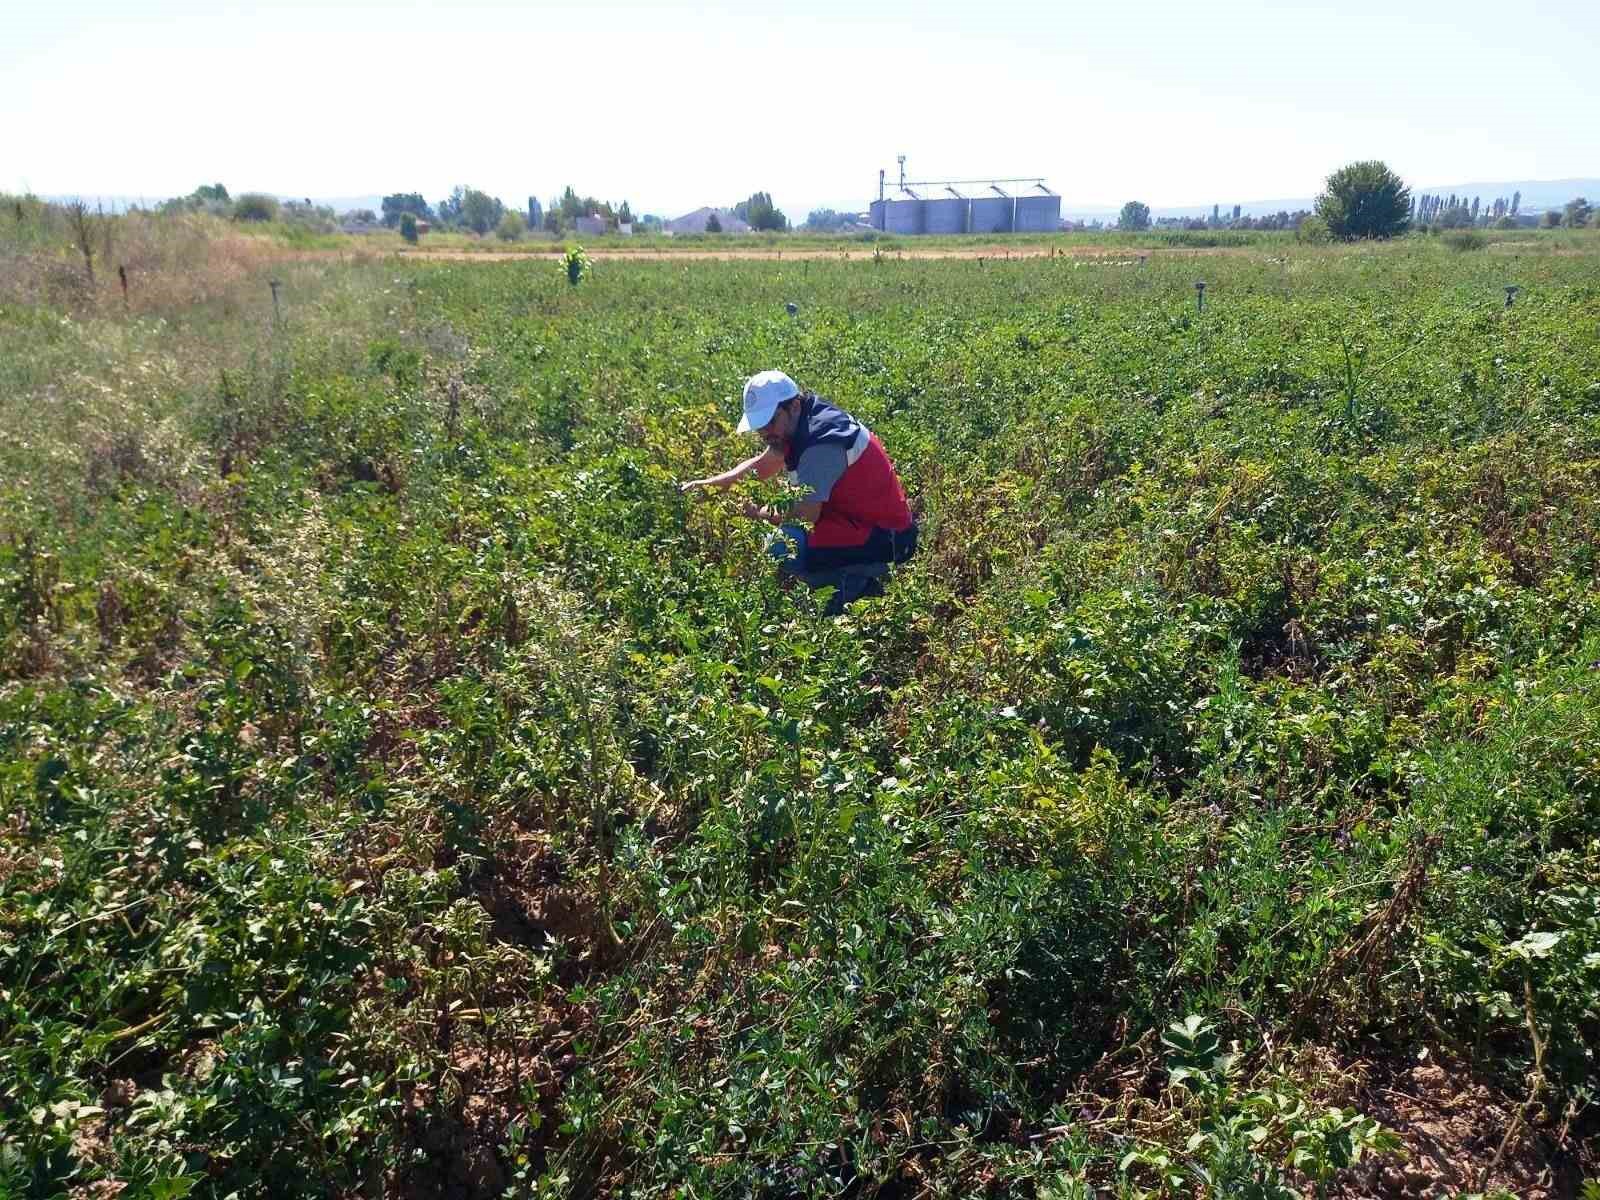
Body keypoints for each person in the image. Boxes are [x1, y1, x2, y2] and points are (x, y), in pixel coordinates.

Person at [679, 370, 918, 613]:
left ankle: (853, 588)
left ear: (792, 406)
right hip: (859, 520)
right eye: (759, 426)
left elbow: (804, 515)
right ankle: (848, 580)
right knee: (786, 537)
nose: (764, 433)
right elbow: (762, 466)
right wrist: (709, 487)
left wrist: (754, 513)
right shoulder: (802, 421)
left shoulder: (820, 445)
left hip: (886, 537)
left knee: (783, 544)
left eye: (769, 421)